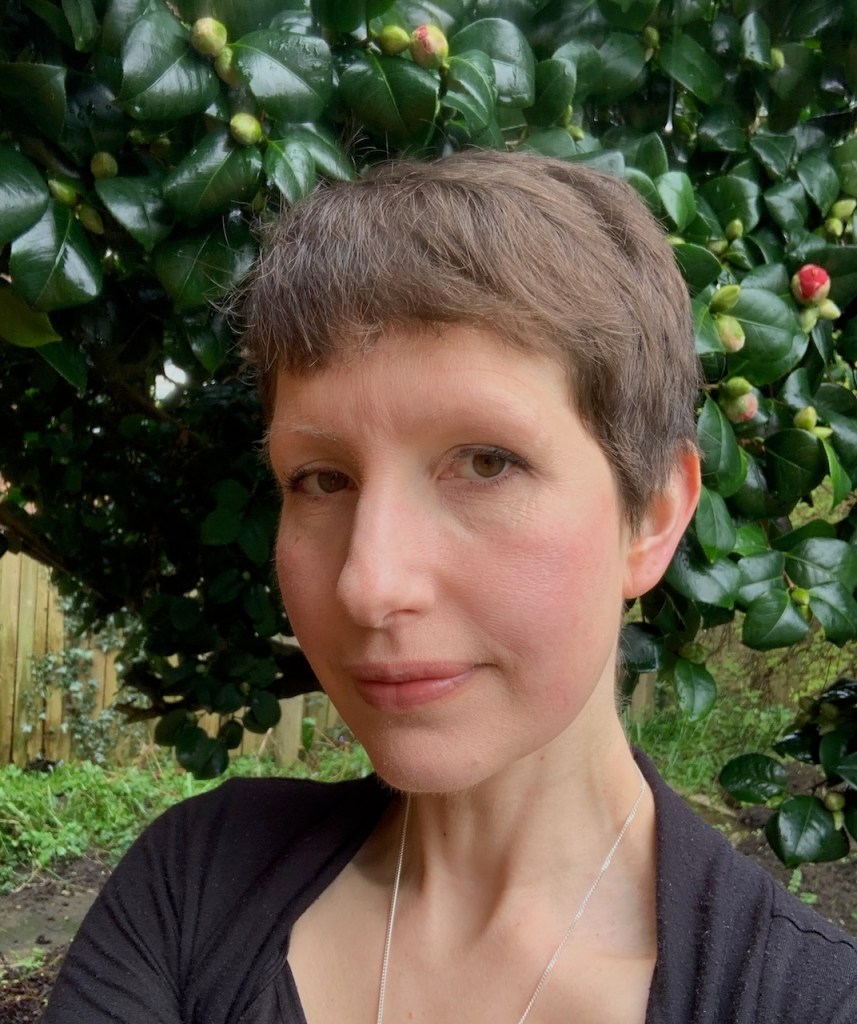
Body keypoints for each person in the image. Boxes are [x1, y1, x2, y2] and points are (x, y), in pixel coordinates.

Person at [43, 151, 857, 1024]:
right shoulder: (195, 884)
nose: (368, 584)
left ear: (653, 516)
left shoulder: (805, 1004)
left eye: (486, 463)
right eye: (320, 479)